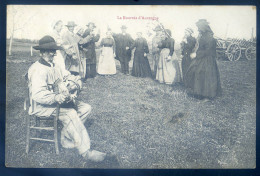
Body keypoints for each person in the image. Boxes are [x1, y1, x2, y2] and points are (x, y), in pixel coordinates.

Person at [27, 35, 106, 162]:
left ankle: (65, 138)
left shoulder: (53, 65)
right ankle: (86, 151)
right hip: (42, 106)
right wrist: (57, 97)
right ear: (42, 52)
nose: (54, 53)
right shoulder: (38, 69)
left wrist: (75, 81)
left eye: (54, 50)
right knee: (71, 113)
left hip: (56, 102)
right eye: (50, 51)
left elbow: (65, 77)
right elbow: (38, 95)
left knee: (86, 108)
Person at [185, 19, 221, 100]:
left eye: (199, 27)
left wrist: (196, 54)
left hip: (208, 60)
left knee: (206, 77)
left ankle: (207, 96)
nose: (198, 29)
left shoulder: (209, 37)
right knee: (198, 74)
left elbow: (208, 51)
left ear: (203, 27)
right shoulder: (203, 35)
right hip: (201, 58)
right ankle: (200, 93)